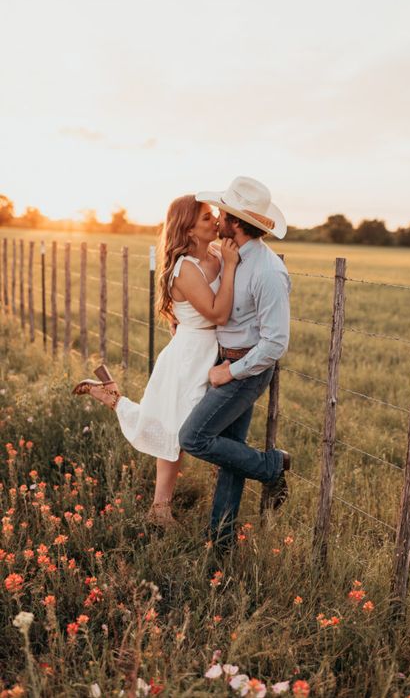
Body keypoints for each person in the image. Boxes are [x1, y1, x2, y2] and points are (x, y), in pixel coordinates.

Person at [72, 194, 240, 527]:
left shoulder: (217, 253)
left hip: (208, 352)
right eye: (207, 217)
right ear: (188, 228)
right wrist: (232, 267)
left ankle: (112, 398)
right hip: (190, 357)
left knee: (179, 427)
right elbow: (220, 313)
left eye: (214, 215)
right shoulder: (186, 269)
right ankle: (160, 509)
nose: (215, 220)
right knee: (174, 428)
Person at [178, 175, 291, 550]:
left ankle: (272, 466)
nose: (218, 216)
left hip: (247, 370)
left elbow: (275, 343)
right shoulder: (228, 256)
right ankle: (221, 542)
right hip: (225, 362)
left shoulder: (268, 271)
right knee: (230, 453)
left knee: (193, 437)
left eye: (224, 212)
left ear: (237, 222)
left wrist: (231, 371)